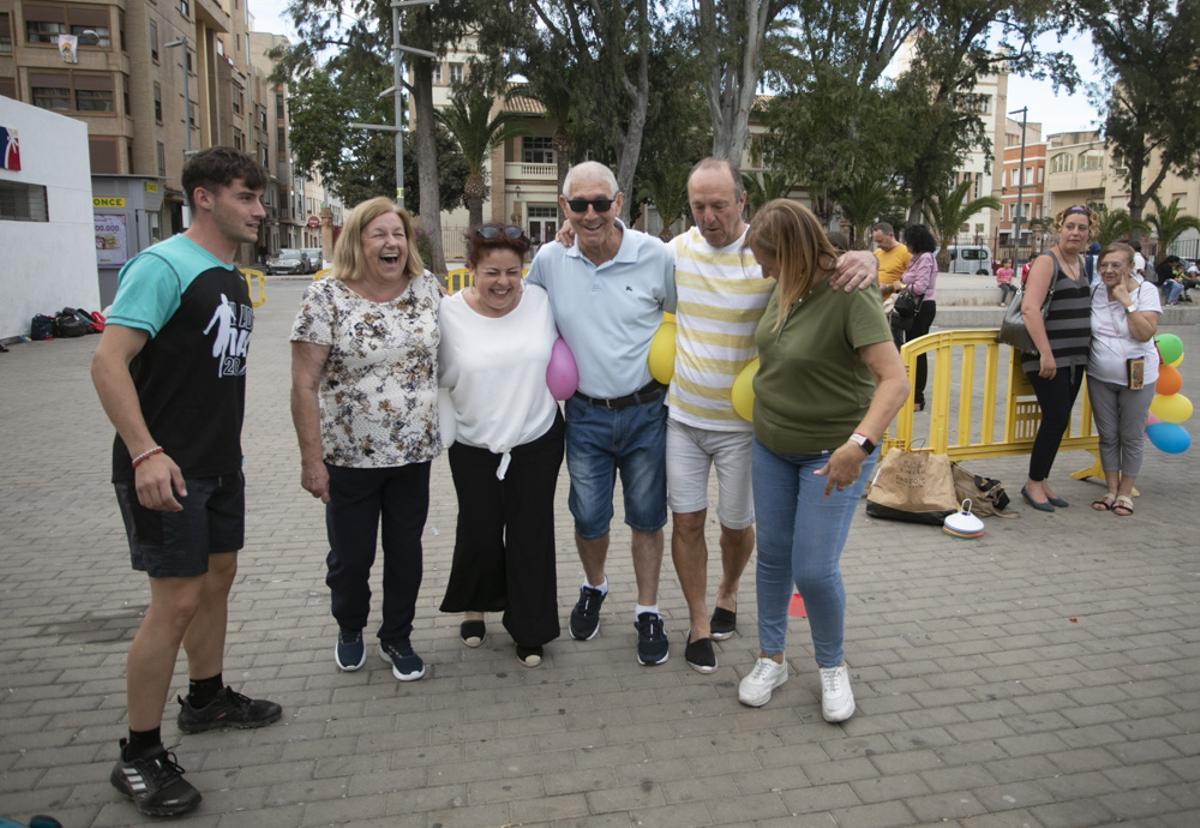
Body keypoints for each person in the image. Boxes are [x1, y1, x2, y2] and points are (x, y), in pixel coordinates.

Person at [552, 159, 881, 673]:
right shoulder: (673, 253)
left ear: (742, 203)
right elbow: (609, 243)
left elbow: (821, 269)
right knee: (685, 521)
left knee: (735, 527)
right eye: (698, 206)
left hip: (745, 426)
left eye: (719, 205)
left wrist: (866, 258)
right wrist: (578, 225)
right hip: (681, 417)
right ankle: (699, 622)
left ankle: (728, 591)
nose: (708, 217)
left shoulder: (769, 257)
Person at [91, 147, 281, 818]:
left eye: (260, 199)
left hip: (218, 466)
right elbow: (108, 363)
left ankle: (206, 698)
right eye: (246, 197)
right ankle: (138, 754)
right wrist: (145, 454)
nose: (259, 210)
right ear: (203, 197)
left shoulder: (227, 275)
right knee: (171, 603)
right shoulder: (162, 265)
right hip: (164, 470)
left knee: (218, 577)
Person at [736, 199, 908, 721]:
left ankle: (832, 666)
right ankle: (772, 658)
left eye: (768, 259)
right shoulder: (785, 286)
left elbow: (895, 382)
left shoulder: (850, 294)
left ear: (793, 253)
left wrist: (859, 445)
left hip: (830, 456)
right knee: (772, 558)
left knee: (812, 569)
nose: (762, 270)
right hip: (770, 445)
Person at [527, 161, 678, 666]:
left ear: (618, 203)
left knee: (647, 517)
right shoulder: (549, 260)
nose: (590, 215)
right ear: (564, 206)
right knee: (589, 517)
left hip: (646, 411)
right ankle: (594, 585)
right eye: (578, 205)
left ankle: (648, 609)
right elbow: (515, 311)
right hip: (585, 415)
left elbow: (688, 317)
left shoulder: (655, 256)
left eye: (600, 203)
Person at [289, 197, 441, 680]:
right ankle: (350, 626)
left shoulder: (427, 289)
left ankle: (397, 637)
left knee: (406, 552)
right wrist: (311, 461)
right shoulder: (326, 297)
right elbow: (303, 385)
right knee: (351, 559)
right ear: (357, 241)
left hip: (413, 455)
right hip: (348, 458)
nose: (391, 243)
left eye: (398, 233)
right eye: (379, 234)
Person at [438, 224, 564, 667]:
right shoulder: (447, 313)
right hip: (473, 442)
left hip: (536, 437)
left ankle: (531, 628)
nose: (503, 283)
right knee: (480, 530)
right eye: (492, 271)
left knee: (531, 534)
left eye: (513, 272)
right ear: (470, 268)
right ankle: (476, 606)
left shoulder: (541, 302)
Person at [1018, 204, 1094, 511]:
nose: (1075, 232)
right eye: (1070, 226)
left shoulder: (1082, 262)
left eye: (1082, 228)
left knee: (1058, 420)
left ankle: (1042, 479)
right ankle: (1033, 483)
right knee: (1056, 418)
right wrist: (1046, 354)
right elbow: (1029, 308)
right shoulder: (1047, 261)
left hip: (1075, 358)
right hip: (1049, 358)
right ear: (1059, 228)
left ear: (1090, 233)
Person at [1087, 243, 1161, 517]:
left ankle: (1125, 493)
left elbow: (1144, 333)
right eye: (1104, 265)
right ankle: (1110, 488)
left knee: (1130, 435)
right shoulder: (1094, 292)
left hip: (1138, 376)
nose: (1108, 270)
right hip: (1100, 375)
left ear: (1130, 267)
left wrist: (1126, 302)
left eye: (1116, 265)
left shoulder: (1147, 291)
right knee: (1108, 435)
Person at [892, 223, 938, 411]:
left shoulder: (926, 258)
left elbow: (920, 286)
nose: (906, 245)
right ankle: (910, 394)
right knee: (910, 350)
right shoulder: (916, 258)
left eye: (908, 241)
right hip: (914, 307)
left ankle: (918, 398)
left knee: (917, 352)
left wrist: (901, 286)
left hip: (922, 307)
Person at [872, 222, 911, 298]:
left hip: (893, 304)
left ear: (891, 235)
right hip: (875, 302)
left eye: (880, 241)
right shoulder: (876, 253)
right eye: (876, 242)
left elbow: (911, 282)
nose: (878, 245)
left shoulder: (906, 252)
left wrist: (889, 288)